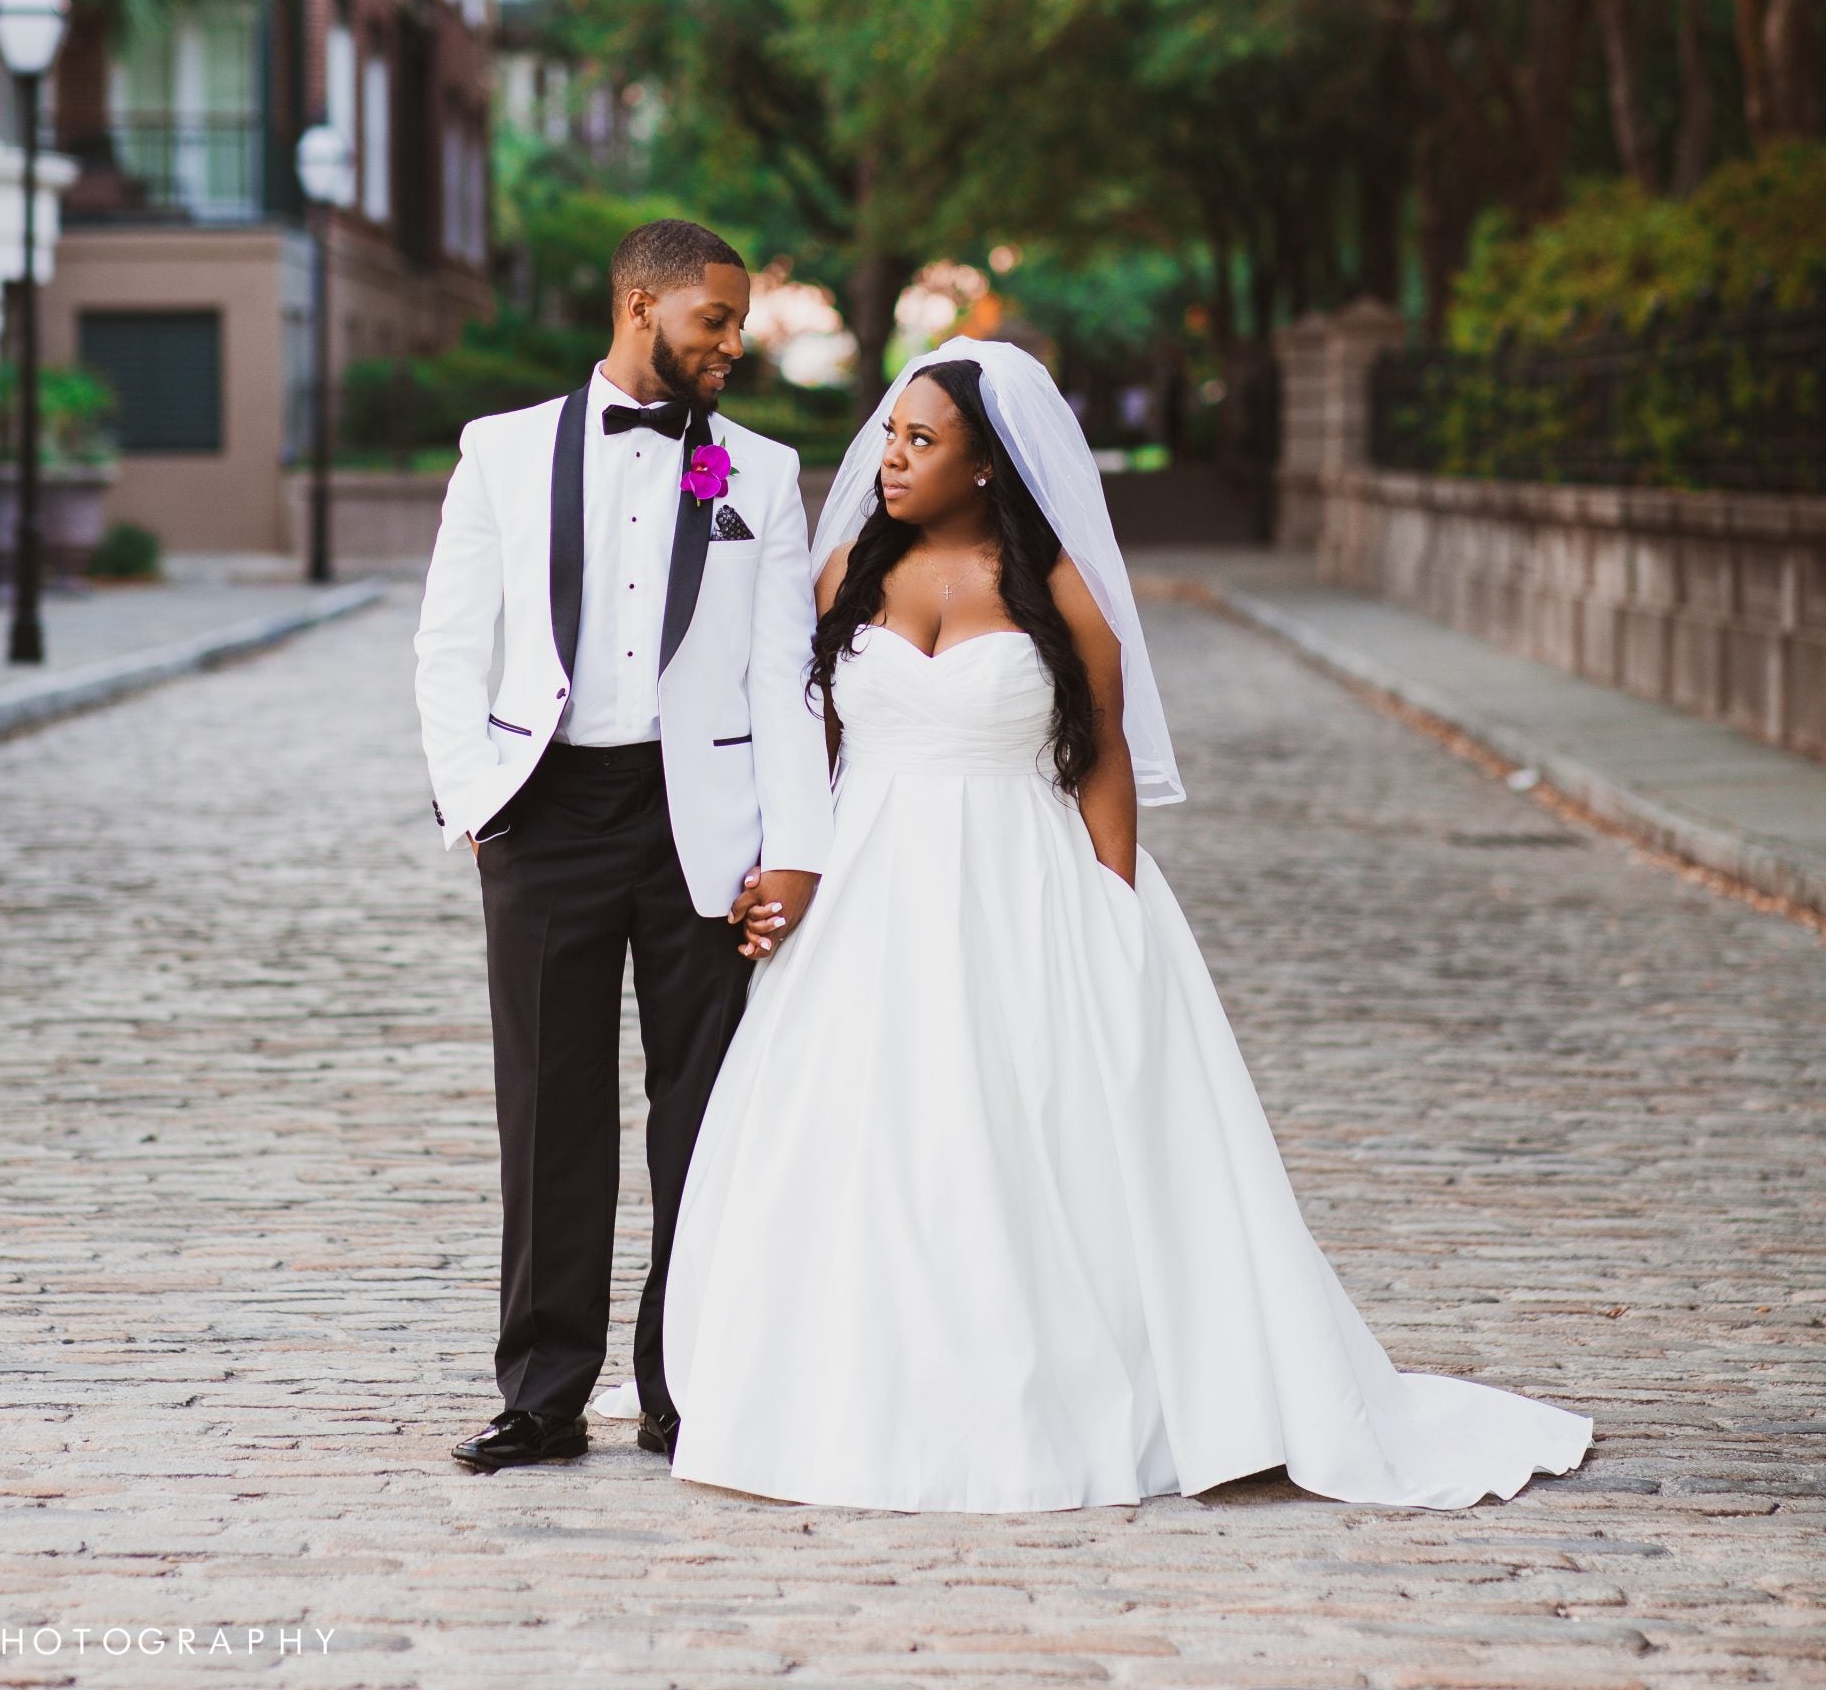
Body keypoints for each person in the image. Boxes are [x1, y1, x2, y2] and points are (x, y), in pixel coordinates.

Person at [661, 336, 1592, 1513]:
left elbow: (1097, 755)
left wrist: (1111, 903)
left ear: (988, 464)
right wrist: (785, 861)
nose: (888, 459)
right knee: (864, 1137)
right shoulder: (845, 568)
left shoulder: (1052, 590)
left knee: (1033, 1135)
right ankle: (835, 1392)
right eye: (889, 436)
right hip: (869, 889)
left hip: (1022, 884)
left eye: (919, 441)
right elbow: (807, 741)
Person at [415, 219, 832, 1473]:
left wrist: (794, 846)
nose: (730, 345)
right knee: (547, 1110)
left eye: (738, 324)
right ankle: (542, 1396)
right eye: (713, 319)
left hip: (699, 824)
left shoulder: (759, 472)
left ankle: (683, 1384)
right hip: (543, 812)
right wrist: (475, 803)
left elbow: (784, 677)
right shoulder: (499, 451)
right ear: (640, 302)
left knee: (700, 1113)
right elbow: (448, 643)